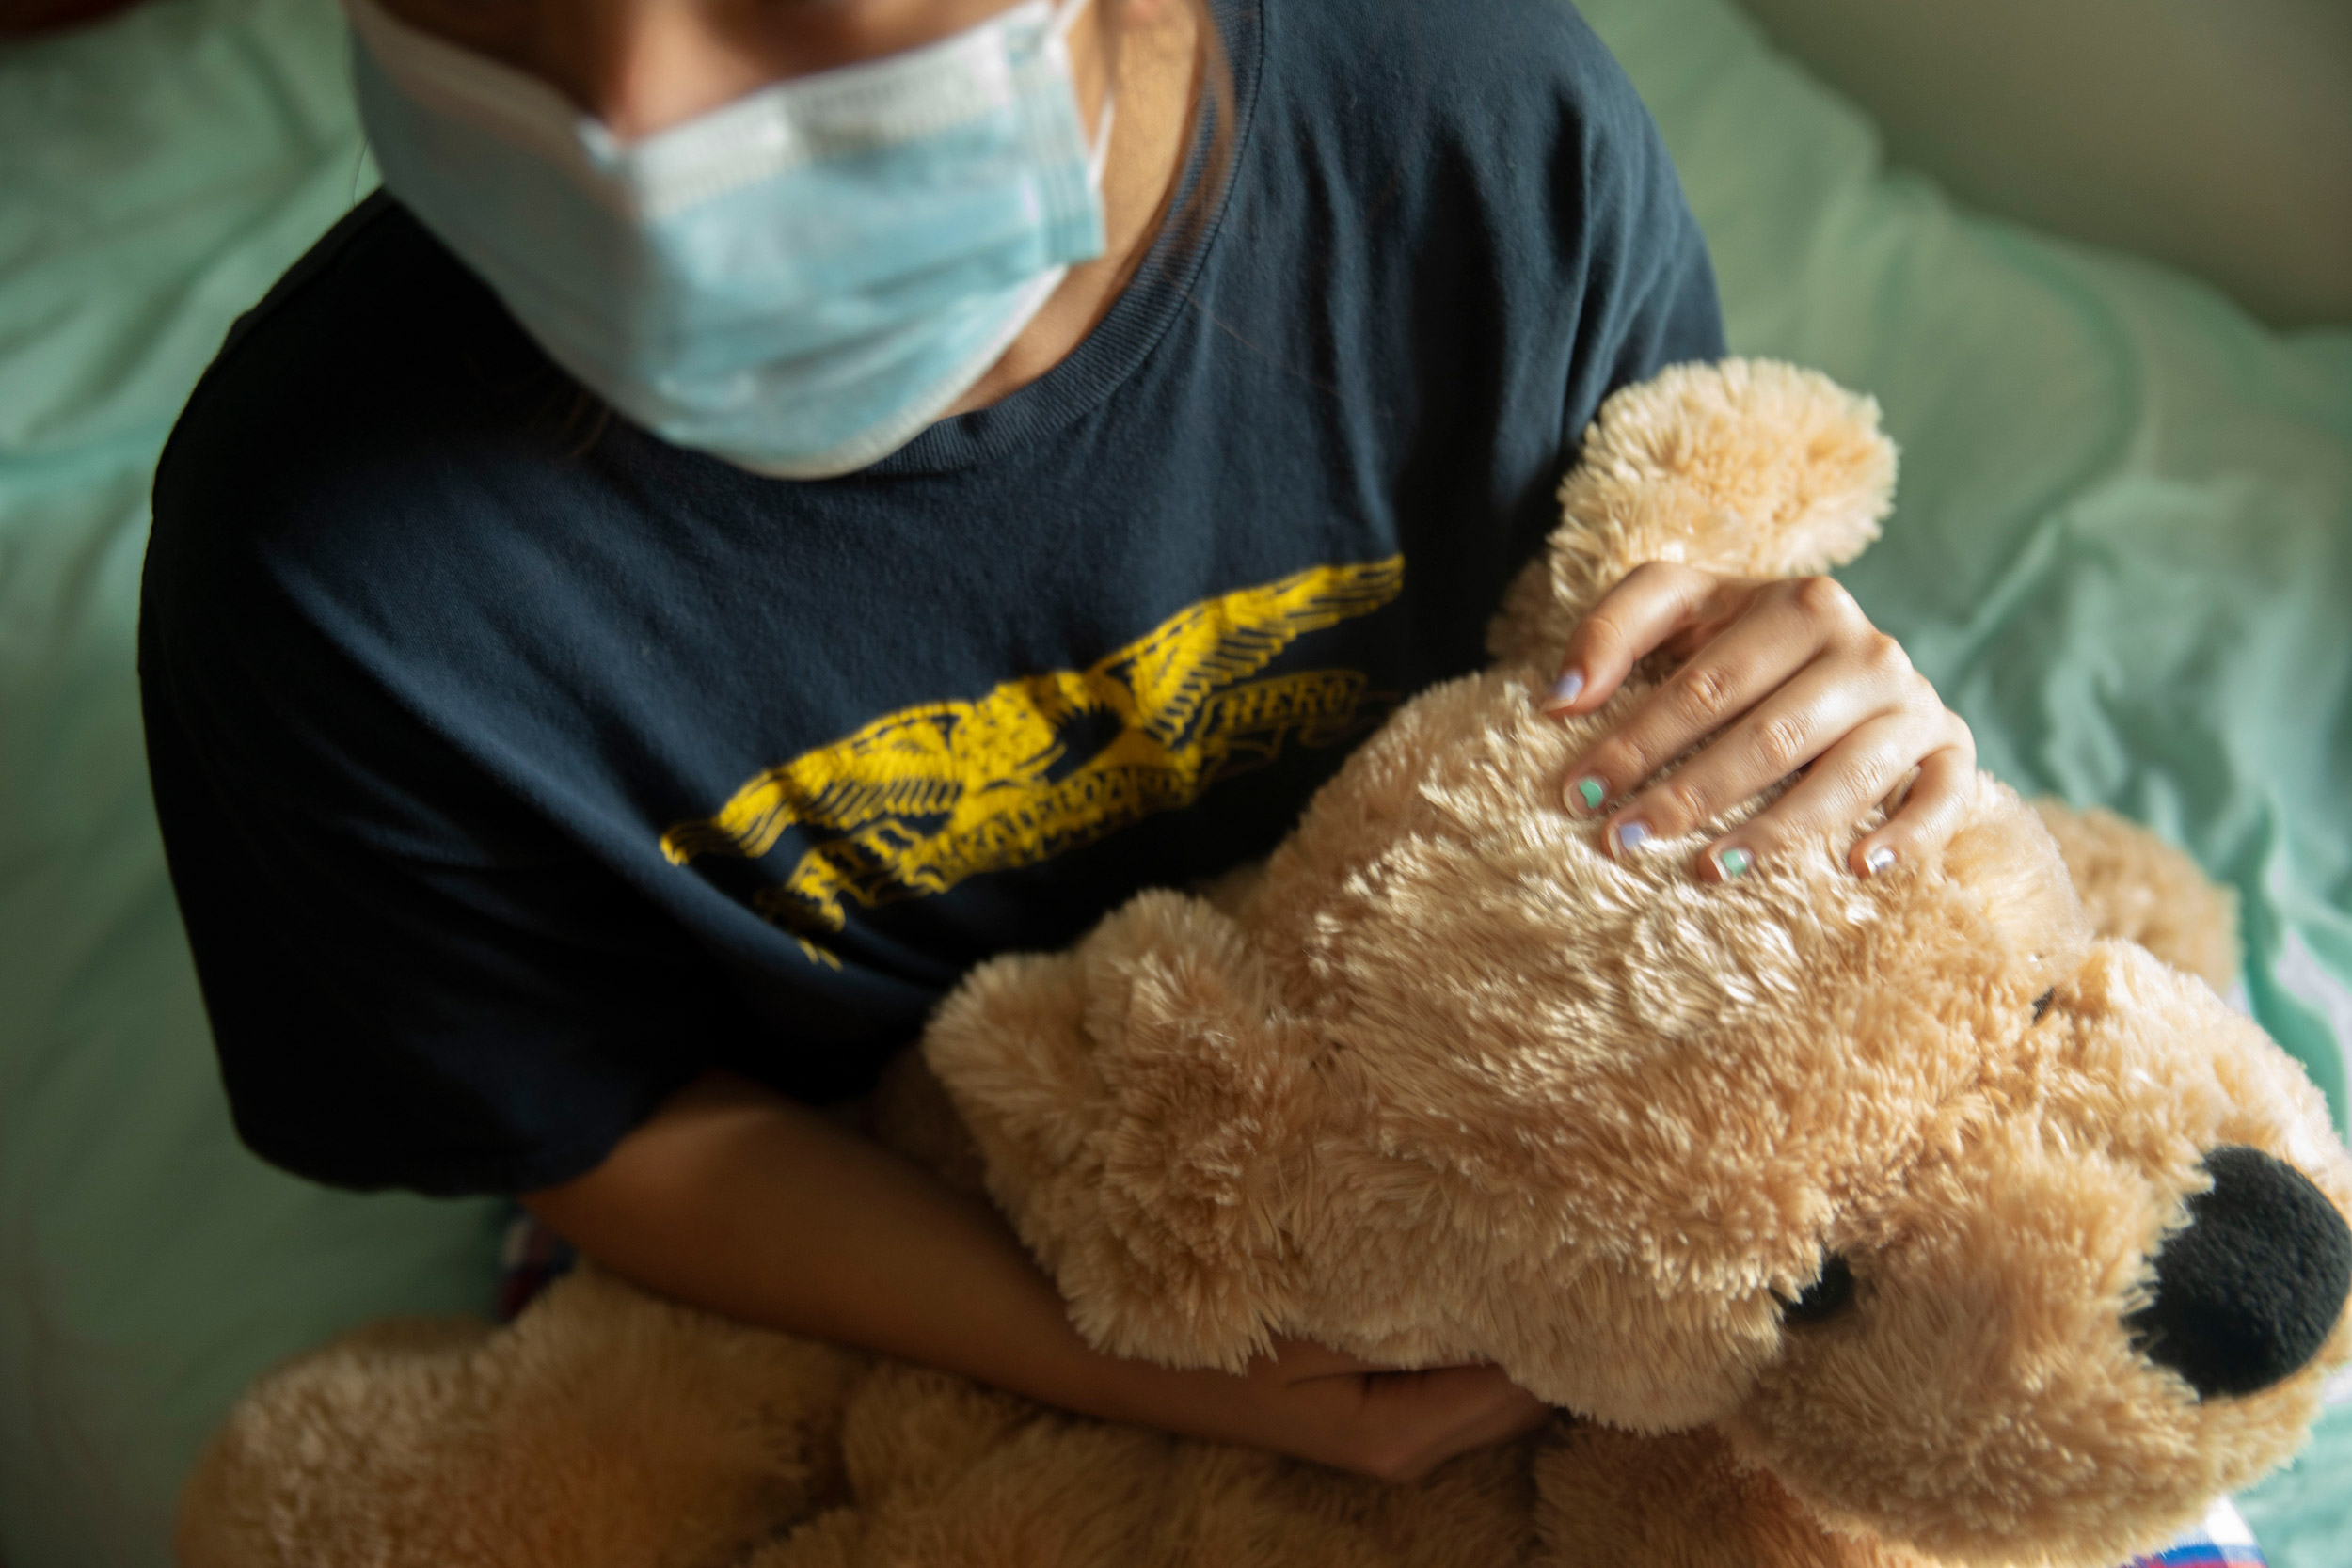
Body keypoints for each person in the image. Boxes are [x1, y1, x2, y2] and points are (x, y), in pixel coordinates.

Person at [139, 0, 1975, 1485]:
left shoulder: (1479, 148)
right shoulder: (324, 568)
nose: (629, 113)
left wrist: (1802, 721)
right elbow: (599, 1123)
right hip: (872, 1202)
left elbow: (1643, 681)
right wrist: (1187, 1374)